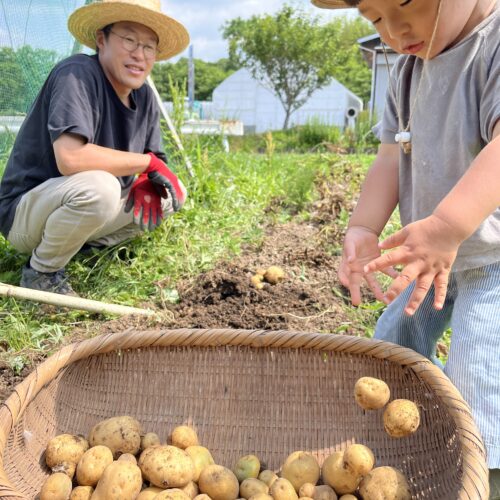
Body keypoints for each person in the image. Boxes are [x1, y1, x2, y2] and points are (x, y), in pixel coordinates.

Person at [313, 0, 499, 497]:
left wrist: (448, 224)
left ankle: (485, 475)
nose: (394, 30)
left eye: (407, 3)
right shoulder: (409, 71)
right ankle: (433, 430)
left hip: (494, 260)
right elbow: (391, 156)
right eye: (374, 18)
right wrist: (363, 227)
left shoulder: (494, 44)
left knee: (480, 368)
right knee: (394, 338)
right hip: (437, 257)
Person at [0, 0, 190, 296]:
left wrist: (145, 178)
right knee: (101, 187)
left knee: (169, 193)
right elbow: (70, 158)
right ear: (102, 40)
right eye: (129, 40)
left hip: (79, 206)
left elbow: (156, 161)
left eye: (149, 46)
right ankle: (42, 273)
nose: (139, 54)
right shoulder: (76, 74)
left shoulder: (146, 98)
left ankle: (77, 245)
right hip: (27, 212)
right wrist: (145, 165)